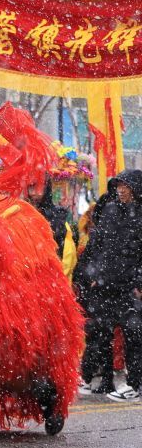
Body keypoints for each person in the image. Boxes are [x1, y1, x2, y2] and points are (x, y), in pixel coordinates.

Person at [74, 170, 142, 402]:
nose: (121, 190)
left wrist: (139, 283)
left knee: (133, 334)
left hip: (129, 288)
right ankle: (104, 381)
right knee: (99, 333)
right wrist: (85, 275)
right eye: (119, 185)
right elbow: (95, 246)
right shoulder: (110, 211)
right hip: (103, 285)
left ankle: (134, 383)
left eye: (126, 186)